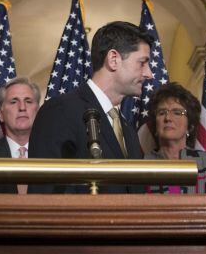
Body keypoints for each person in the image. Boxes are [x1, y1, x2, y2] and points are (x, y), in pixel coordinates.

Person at [29, 21, 153, 193]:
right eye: (142, 63)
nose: (149, 74)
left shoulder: (128, 130)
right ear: (113, 59)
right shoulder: (60, 111)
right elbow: (43, 192)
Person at [144, 82, 206, 194]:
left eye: (177, 112)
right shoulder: (142, 165)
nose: (168, 118)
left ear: (190, 126)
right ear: (155, 125)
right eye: (161, 112)